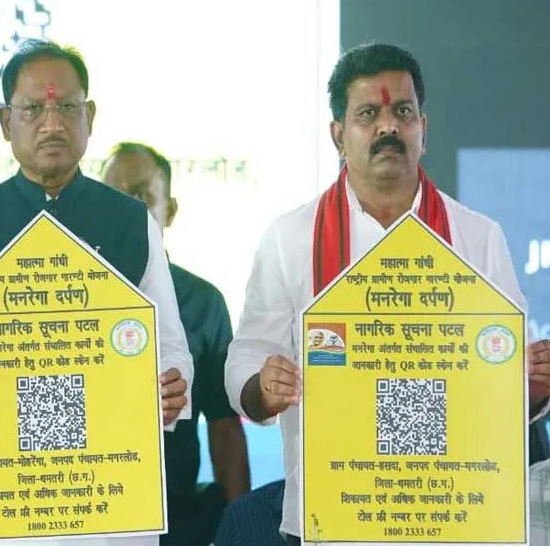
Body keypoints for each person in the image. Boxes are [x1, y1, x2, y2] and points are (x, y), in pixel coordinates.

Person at [224, 41, 550, 545]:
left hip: (450, 512)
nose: (387, 127)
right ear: (338, 134)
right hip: (329, 515)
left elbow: (508, 378)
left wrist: (535, 385)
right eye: (368, 114)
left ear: (424, 128)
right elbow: (246, 356)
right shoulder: (290, 238)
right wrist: (262, 388)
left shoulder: (478, 236)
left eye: (403, 112)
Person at [0, 39, 194, 546]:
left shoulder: (131, 223)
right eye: (33, 109)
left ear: (90, 117)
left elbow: (169, 347)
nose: (52, 124)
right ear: (5, 123)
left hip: (103, 487)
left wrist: (172, 385)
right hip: (3, 493)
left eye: (67, 108)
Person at [101, 142, 250, 545]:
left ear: (169, 210)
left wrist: (241, 531)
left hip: (179, 523)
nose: (127, 209)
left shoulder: (203, 302)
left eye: (142, 195)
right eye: (113, 197)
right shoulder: (68, 299)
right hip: (90, 516)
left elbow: (224, 428)